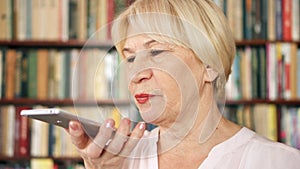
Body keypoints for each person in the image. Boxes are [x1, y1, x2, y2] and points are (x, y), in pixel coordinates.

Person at [68, 0, 300, 168]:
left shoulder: (280, 162)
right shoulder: (116, 160)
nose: (135, 74)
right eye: (129, 58)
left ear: (209, 65)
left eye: (156, 51)